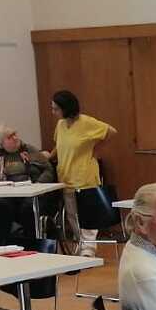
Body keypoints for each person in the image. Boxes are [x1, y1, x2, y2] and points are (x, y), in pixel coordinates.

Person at [51, 88, 117, 252]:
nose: (53, 112)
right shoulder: (60, 125)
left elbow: (111, 132)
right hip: (66, 176)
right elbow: (59, 146)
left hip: (84, 175)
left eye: (56, 109)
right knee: (72, 215)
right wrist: (48, 156)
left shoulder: (86, 122)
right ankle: (82, 245)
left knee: (88, 215)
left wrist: (96, 150)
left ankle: (88, 249)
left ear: (66, 108)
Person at [0, 125, 56, 248]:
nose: (15, 137)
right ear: (1, 143)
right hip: (8, 196)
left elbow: (48, 169)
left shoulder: (29, 150)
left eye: (15, 134)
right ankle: (0, 247)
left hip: (31, 194)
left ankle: (31, 246)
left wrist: (39, 184)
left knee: (28, 208)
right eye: (10, 137)